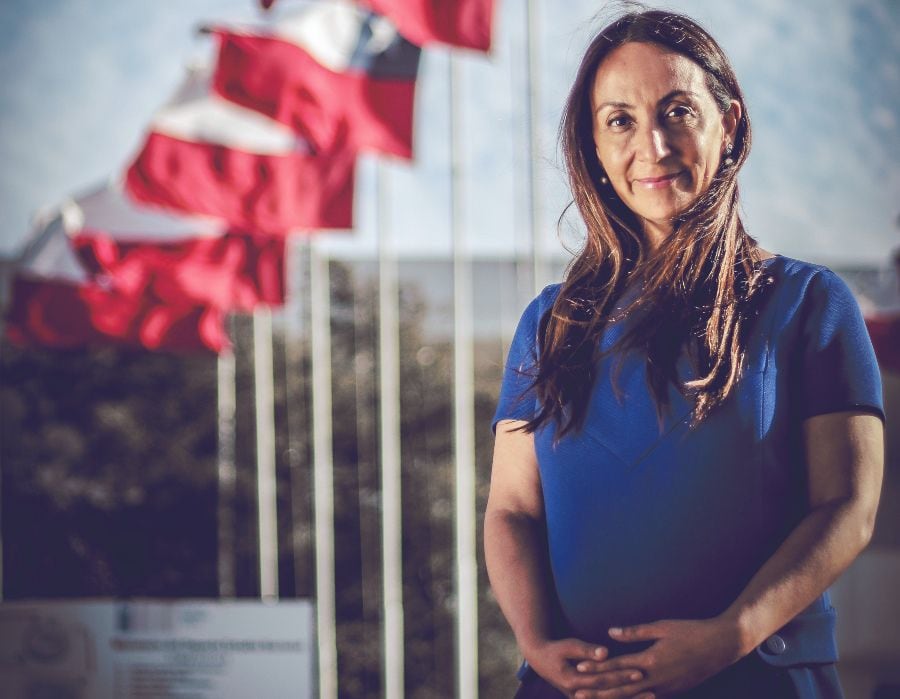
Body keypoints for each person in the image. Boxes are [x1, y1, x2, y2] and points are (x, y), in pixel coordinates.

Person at [484, 9, 885, 699]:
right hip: (575, 687)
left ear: (727, 123)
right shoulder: (549, 321)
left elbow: (848, 504)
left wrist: (733, 632)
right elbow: (512, 509)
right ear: (593, 144)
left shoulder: (812, 303)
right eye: (620, 120)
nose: (654, 145)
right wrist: (538, 645)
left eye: (677, 111)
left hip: (756, 681)